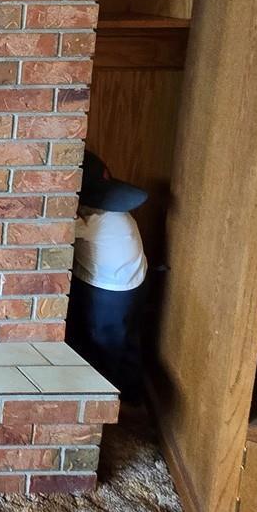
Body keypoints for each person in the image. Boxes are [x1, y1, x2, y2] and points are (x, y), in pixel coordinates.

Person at [67, 150, 149, 397]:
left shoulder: (95, 220)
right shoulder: (116, 213)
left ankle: (105, 395)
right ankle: (132, 392)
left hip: (112, 291)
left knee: (106, 343)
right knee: (127, 337)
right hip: (134, 281)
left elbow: (56, 228)